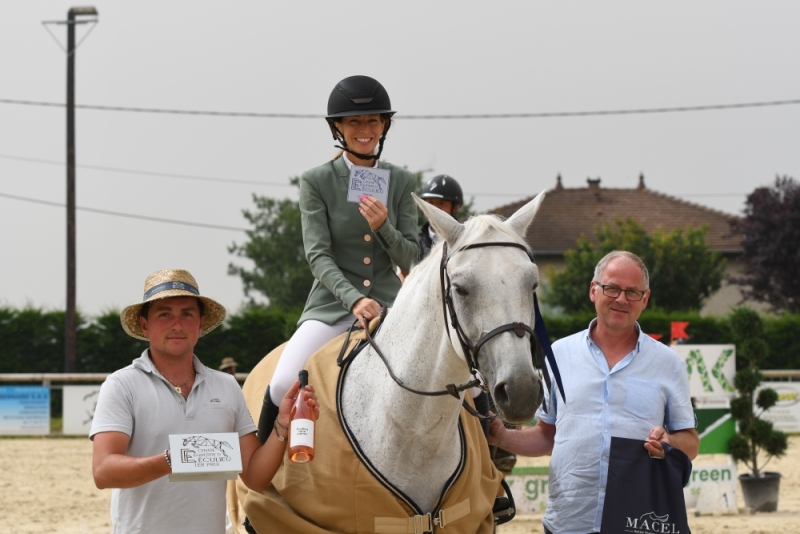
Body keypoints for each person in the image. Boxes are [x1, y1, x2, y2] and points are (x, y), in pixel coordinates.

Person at [90, 269, 318, 533]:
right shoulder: (121, 385)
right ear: (144, 325)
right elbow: (103, 471)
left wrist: (282, 424)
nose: (177, 324)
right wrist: (174, 460)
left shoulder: (226, 385)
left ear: (200, 323)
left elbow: (255, 477)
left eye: (187, 314)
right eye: (164, 314)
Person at [488, 251, 699, 534]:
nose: (621, 299)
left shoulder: (668, 363)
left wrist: (669, 441)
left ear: (645, 299)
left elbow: (691, 444)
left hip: (637, 521)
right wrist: (500, 435)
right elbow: (548, 436)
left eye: (633, 292)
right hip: (569, 522)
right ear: (593, 290)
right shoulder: (558, 355)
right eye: (612, 288)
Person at [261, 75, 419, 436]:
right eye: (354, 122)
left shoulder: (403, 180)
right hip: (333, 306)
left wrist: (384, 228)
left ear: (384, 126)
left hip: (390, 307)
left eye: (373, 121)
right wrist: (354, 300)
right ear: (338, 127)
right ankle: (264, 470)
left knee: (465, 378)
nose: (365, 129)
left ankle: (488, 466)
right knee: (282, 380)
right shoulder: (317, 180)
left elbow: (411, 260)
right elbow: (318, 256)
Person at [418, 174, 463, 260]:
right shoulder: (413, 243)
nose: (434, 208)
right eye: (430, 202)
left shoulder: (465, 242)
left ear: (456, 207)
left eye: (441, 203)